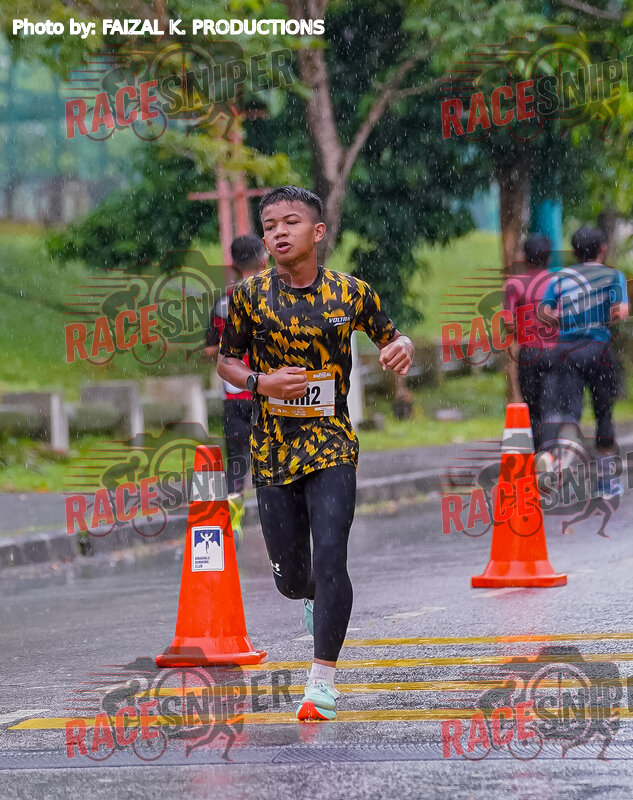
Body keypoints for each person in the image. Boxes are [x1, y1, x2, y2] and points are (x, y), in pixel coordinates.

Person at [217, 186, 414, 721]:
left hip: (331, 444)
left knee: (331, 557)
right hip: (273, 449)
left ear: (317, 232)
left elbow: (393, 337)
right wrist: (261, 383)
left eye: (291, 222)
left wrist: (402, 348)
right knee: (291, 578)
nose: (279, 233)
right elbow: (227, 361)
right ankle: (308, 596)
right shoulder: (249, 297)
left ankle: (321, 682)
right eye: (270, 226)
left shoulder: (351, 293)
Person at [541, 225, 629, 496]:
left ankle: (559, 461)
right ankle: (607, 482)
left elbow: (544, 313)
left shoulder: (560, 277)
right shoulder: (612, 275)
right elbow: (621, 312)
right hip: (599, 350)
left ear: (575, 251)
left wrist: (566, 317)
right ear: (602, 249)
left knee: (569, 413)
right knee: (604, 413)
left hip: (567, 351)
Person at [205, 235, 270, 543]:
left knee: (237, 461)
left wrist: (229, 347)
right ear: (263, 260)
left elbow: (210, 349)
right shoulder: (270, 296)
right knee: (272, 457)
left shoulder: (222, 301)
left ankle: (233, 520)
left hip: (233, 394)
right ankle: (277, 520)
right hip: (267, 392)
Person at [503, 233, 557, 450]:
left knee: (533, 406)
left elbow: (508, 322)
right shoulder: (556, 282)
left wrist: (526, 329)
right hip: (556, 353)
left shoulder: (514, 284)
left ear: (525, 256)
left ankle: (539, 451)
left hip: (529, 354)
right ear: (549, 257)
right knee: (554, 404)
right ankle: (554, 451)